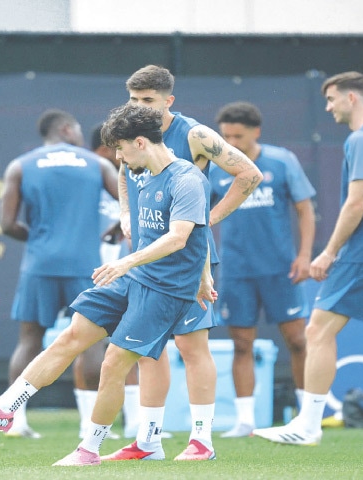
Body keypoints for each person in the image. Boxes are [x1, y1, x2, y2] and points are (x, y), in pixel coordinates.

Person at [0, 103, 215, 467]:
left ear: (141, 142)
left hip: (166, 287)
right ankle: (4, 408)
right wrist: (125, 217)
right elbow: (126, 183)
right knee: (70, 337)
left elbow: (181, 237)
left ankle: (89, 450)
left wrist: (132, 262)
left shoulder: (186, 179)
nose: (117, 156)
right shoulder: (138, 172)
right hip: (136, 276)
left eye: (121, 148)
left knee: (113, 362)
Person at [253, 71, 363, 447]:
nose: (328, 107)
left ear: (352, 97)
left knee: (317, 330)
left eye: (332, 99)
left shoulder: (362, 138)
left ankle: (308, 425)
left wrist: (330, 251)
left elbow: (358, 199)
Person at [104, 65, 262, 461]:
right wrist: (125, 213)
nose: (138, 107)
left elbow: (249, 174)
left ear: (168, 101)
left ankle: (202, 441)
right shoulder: (133, 131)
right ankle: (149, 441)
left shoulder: (195, 135)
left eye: (148, 101)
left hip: (188, 260)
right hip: (145, 259)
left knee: (192, 348)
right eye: (133, 99)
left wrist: (206, 220)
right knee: (148, 351)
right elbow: (124, 172)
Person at [0, 109, 120, 439]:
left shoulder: (21, 165)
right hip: (84, 265)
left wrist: (38, 238)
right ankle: (88, 426)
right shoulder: (98, 164)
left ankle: (15, 422)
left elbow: (6, 224)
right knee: (93, 342)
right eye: (78, 129)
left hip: (40, 265)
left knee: (29, 340)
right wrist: (119, 229)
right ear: (66, 128)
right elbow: (131, 205)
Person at [212, 101, 315, 437]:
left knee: (298, 341)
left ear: (256, 132)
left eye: (237, 136)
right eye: (225, 136)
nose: (231, 142)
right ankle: (245, 421)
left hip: (279, 270)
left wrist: (304, 256)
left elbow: (305, 210)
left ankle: (306, 416)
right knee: (242, 344)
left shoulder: (282, 161)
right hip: (236, 270)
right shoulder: (215, 167)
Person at [70, 123, 140, 440]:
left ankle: (137, 422)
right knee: (88, 343)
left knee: (134, 342)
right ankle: (89, 423)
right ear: (104, 150)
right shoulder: (85, 178)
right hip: (93, 271)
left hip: (128, 270)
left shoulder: (133, 178)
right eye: (119, 147)